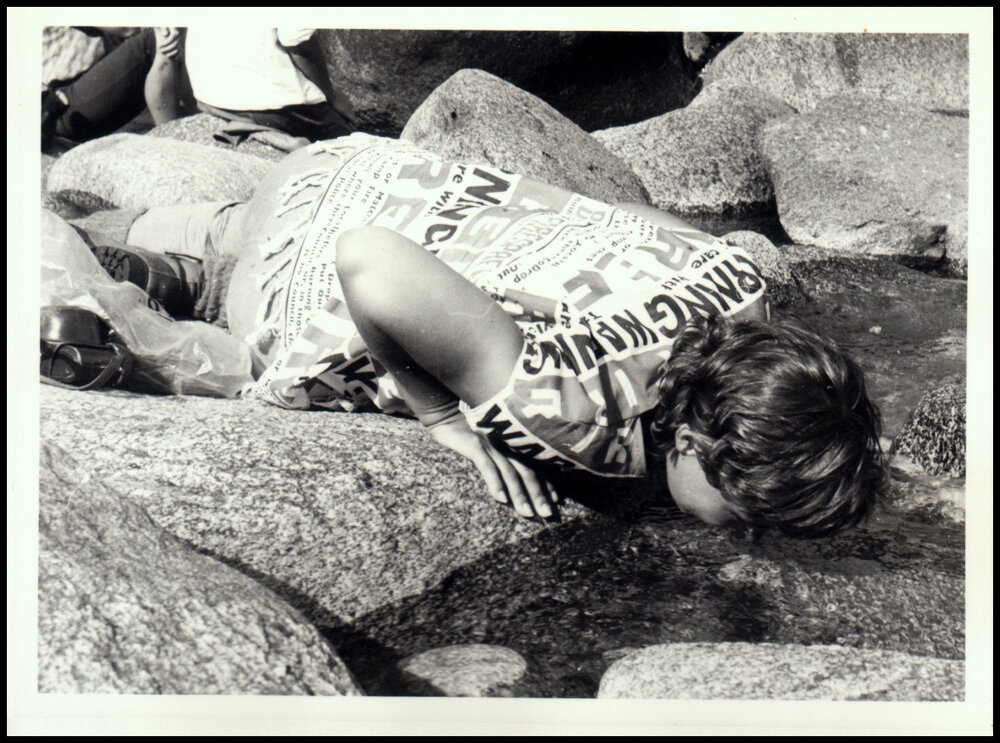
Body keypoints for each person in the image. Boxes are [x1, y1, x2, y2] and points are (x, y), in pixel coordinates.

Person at [75, 133, 887, 535]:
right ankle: (143, 268)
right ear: (691, 444)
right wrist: (445, 421)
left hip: (368, 172)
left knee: (203, 223)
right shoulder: (565, 406)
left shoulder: (741, 296)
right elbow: (367, 262)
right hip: (302, 261)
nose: (747, 533)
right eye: (742, 512)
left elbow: (632, 223)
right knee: (195, 288)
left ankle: (141, 236)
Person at [181, 27, 357, 150]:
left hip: (209, 94)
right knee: (346, 137)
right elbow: (297, 41)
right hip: (266, 103)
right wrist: (332, 96)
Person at [42, 27, 187, 154]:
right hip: (58, 110)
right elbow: (127, 27)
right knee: (160, 40)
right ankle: (176, 146)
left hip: (64, 100)